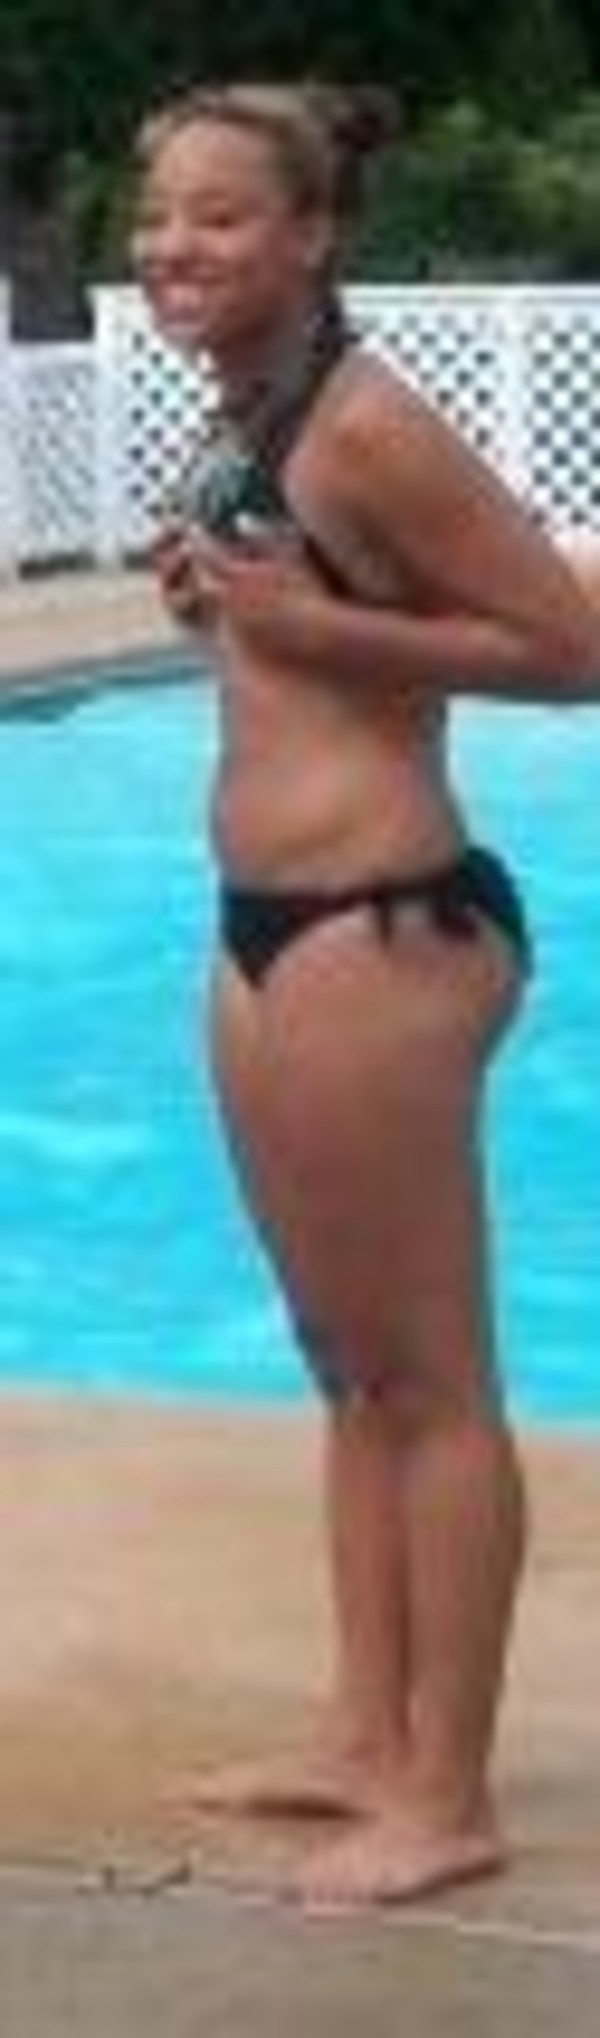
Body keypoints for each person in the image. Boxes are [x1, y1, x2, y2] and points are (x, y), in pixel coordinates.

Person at [132, 83, 600, 1908]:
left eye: (220, 216)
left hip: (378, 928)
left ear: (315, 234)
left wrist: (317, 626)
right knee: (346, 1368)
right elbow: (291, 635)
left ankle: (448, 1792)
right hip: (270, 928)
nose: (173, 247)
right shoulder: (253, 408)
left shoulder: (373, 424)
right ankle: (364, 1735)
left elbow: (572, 648)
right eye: (158, 216)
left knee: (430, 1379)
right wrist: (230, 602)